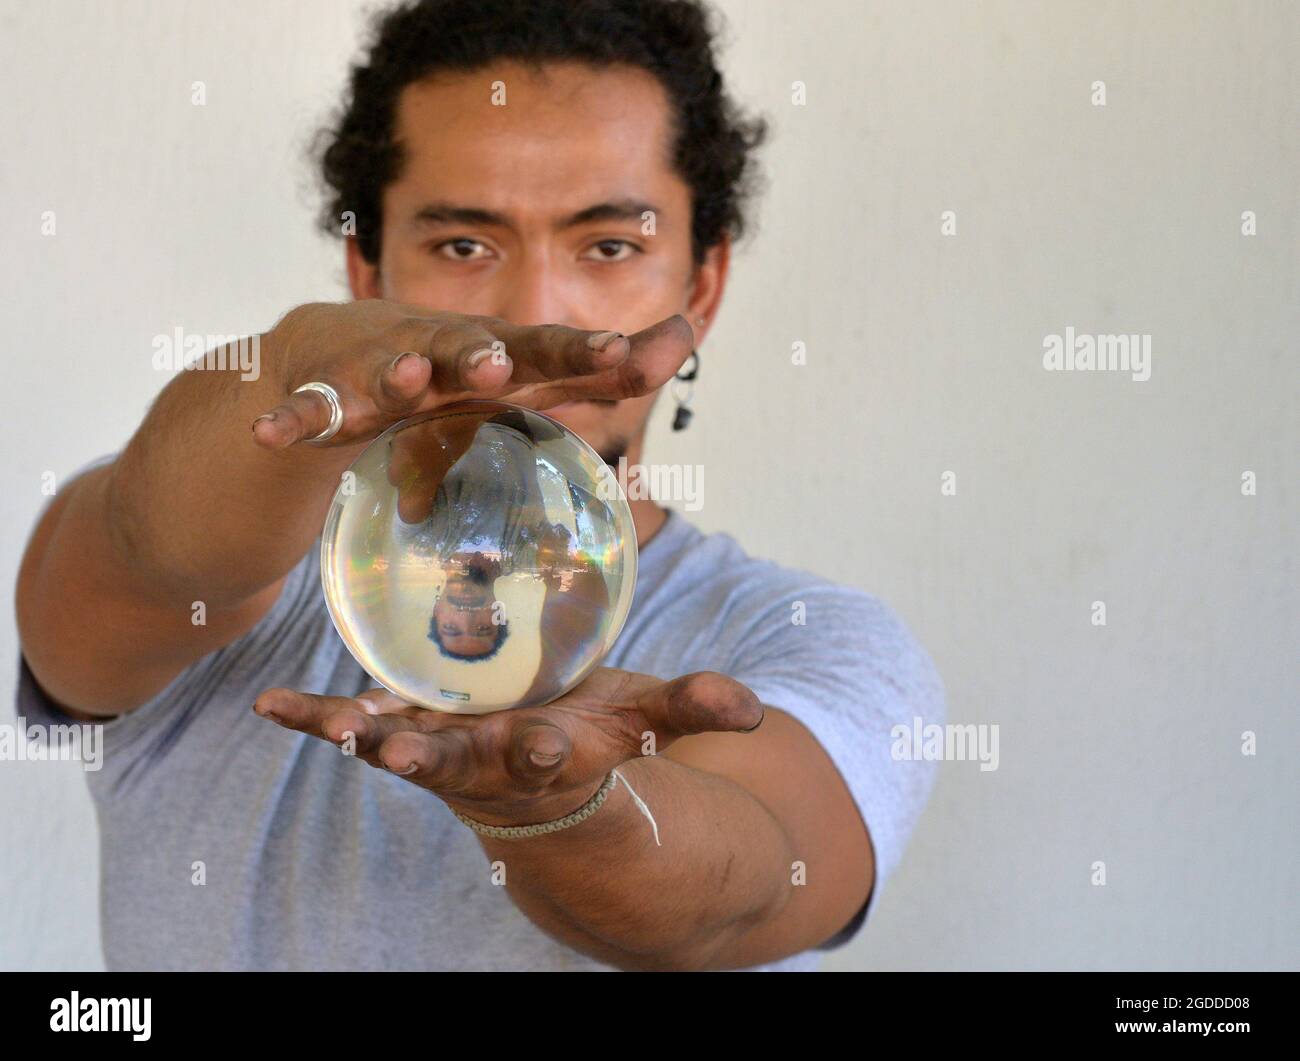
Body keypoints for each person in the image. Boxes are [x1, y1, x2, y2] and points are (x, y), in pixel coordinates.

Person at [14, 0, 945, 971]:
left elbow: (737, 895)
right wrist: (290, 355)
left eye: (608, 245)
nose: (531, 312)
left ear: (699, 286)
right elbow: (143, 547)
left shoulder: (809, 641)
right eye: (464, 245)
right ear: (364, 269)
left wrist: (558, 805)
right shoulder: (238, 568)